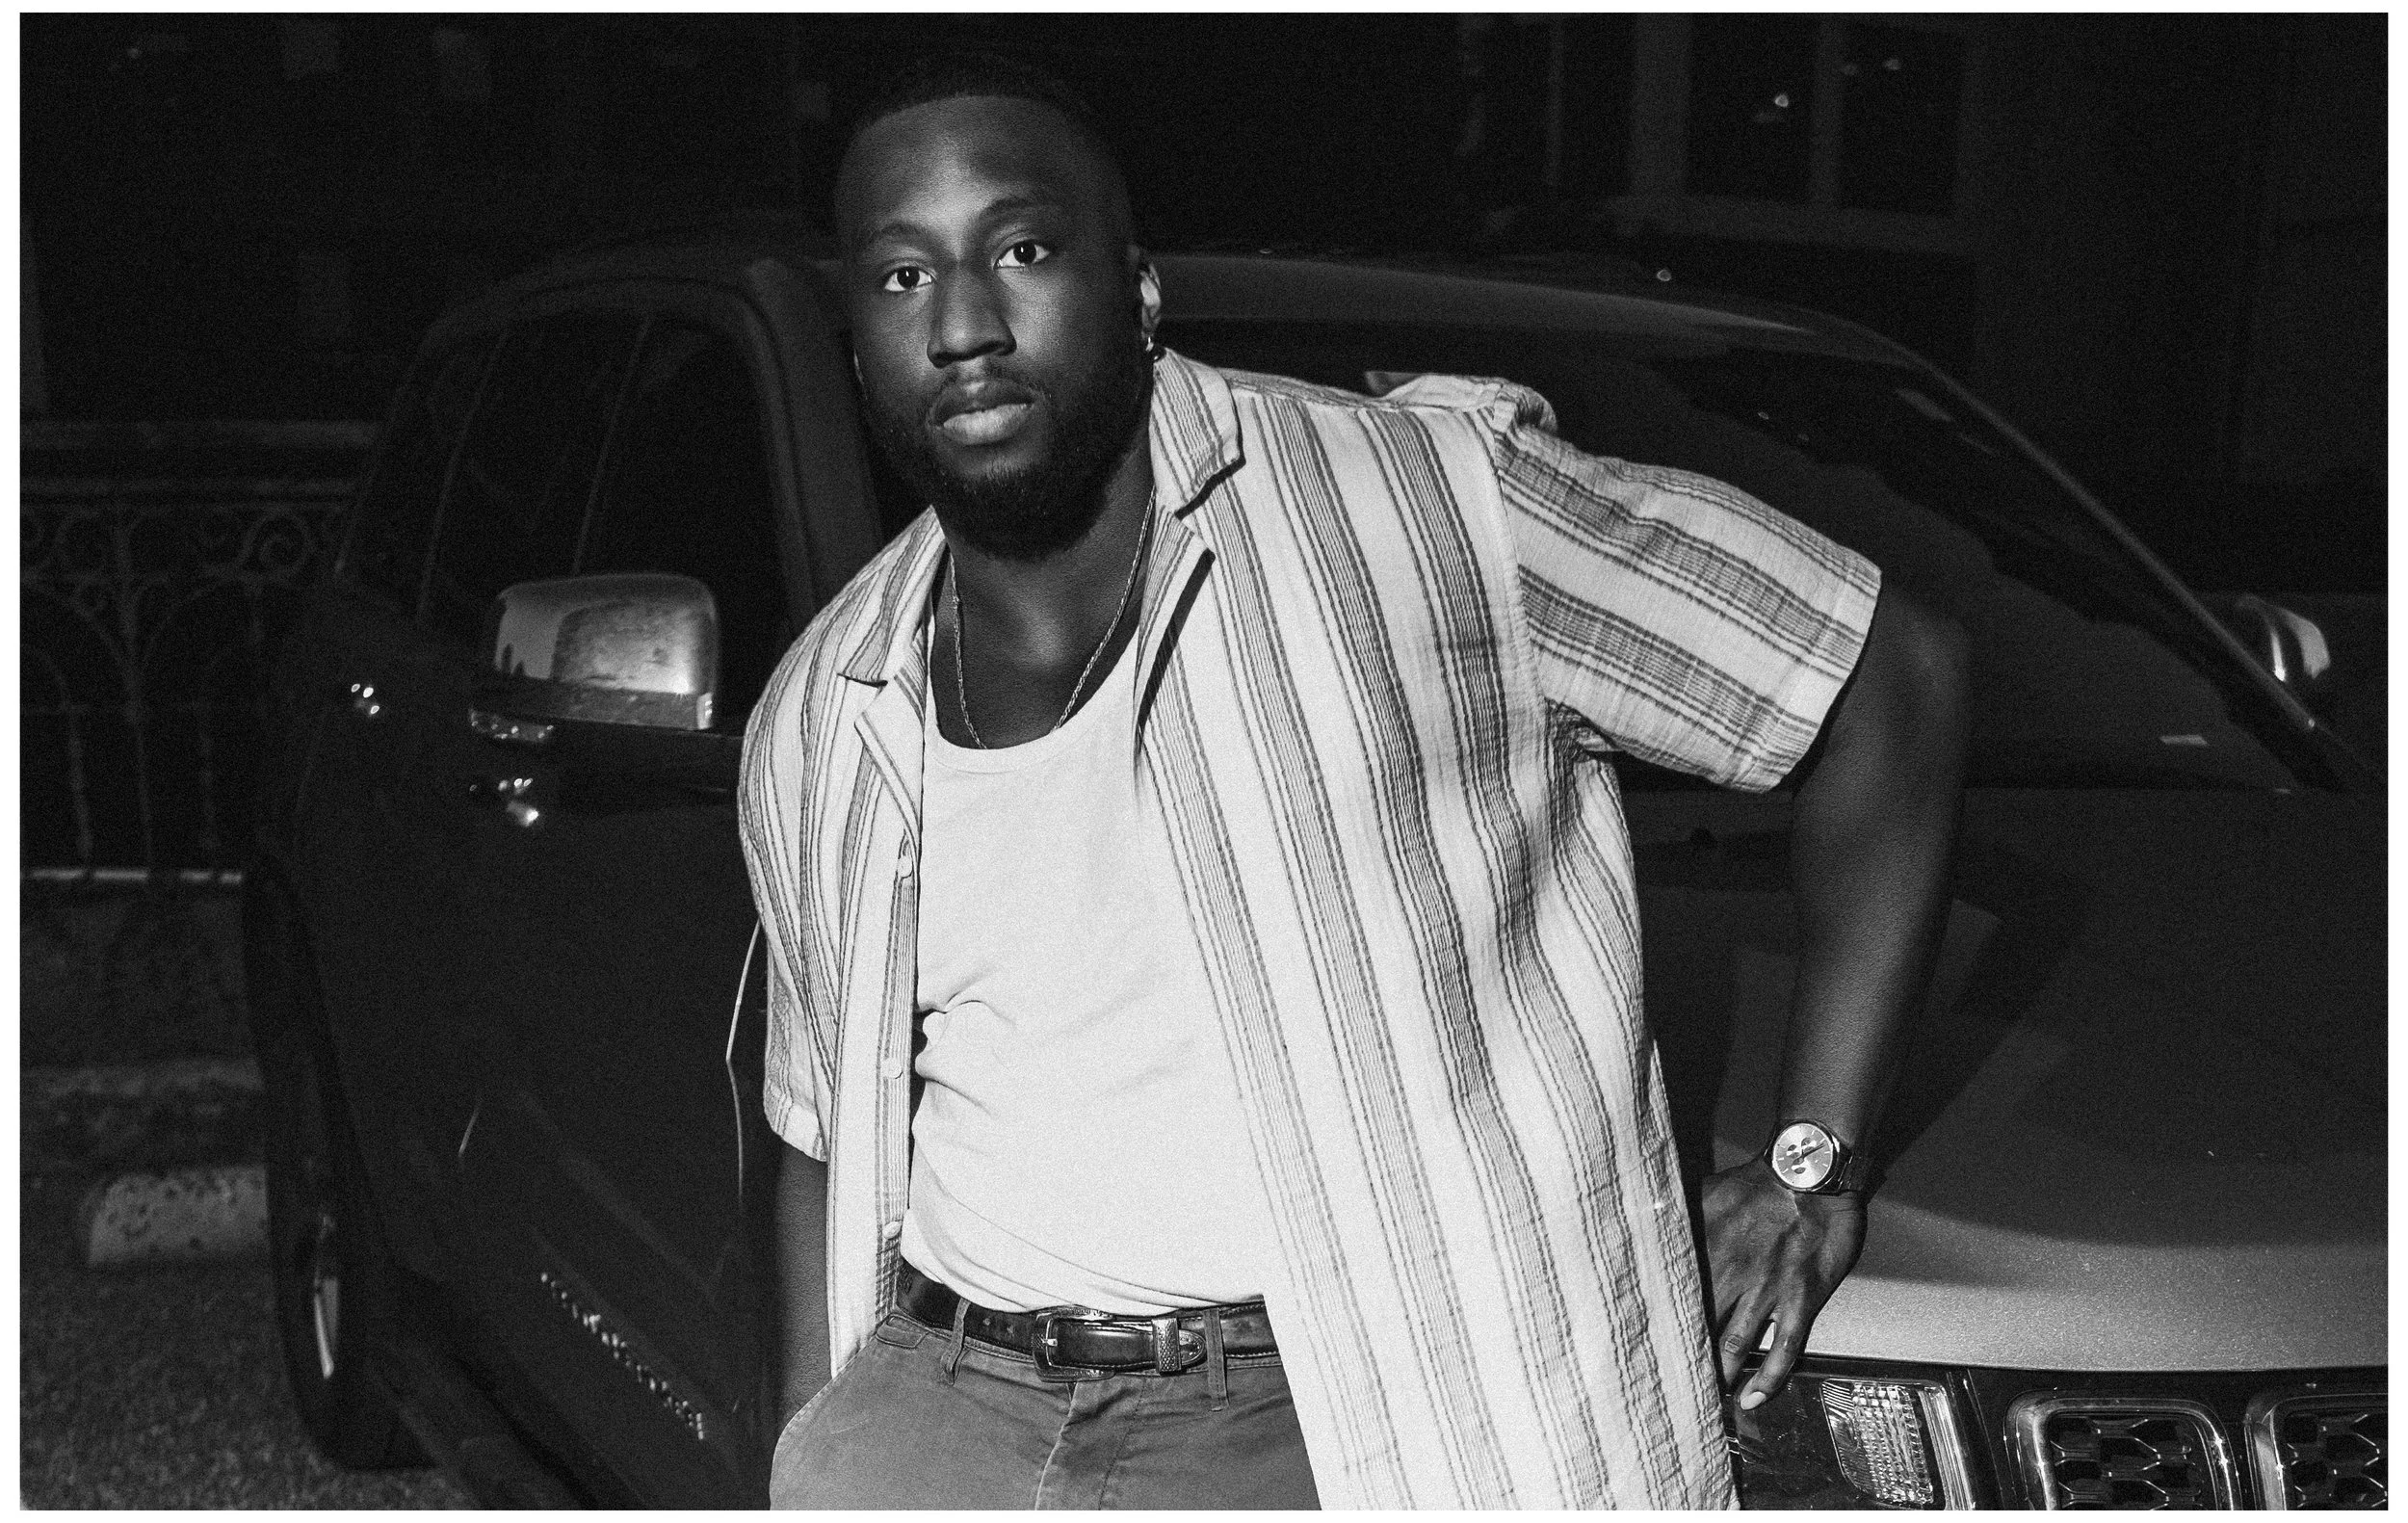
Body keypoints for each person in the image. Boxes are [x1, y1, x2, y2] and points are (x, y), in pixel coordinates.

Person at [739, 52, 1970, 1510]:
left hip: (1322, 1410)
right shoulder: (828, 704)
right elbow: (821, 1127)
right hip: (948, 1410)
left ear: (1134, 291)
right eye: (898, 278)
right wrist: (831, 1436)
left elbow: (1883, 673)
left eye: (1021, 249)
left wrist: (1811, 1168)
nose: (961, 323)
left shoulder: (1427, 508)